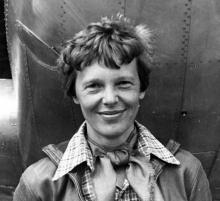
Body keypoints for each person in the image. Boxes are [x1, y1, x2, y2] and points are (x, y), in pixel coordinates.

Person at [13, 14, 212, 201]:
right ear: (75, 94)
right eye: (93, 86)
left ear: (141, 88)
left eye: (123, 83)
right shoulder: (38, 184)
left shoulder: (187, 174)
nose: (109, 99)